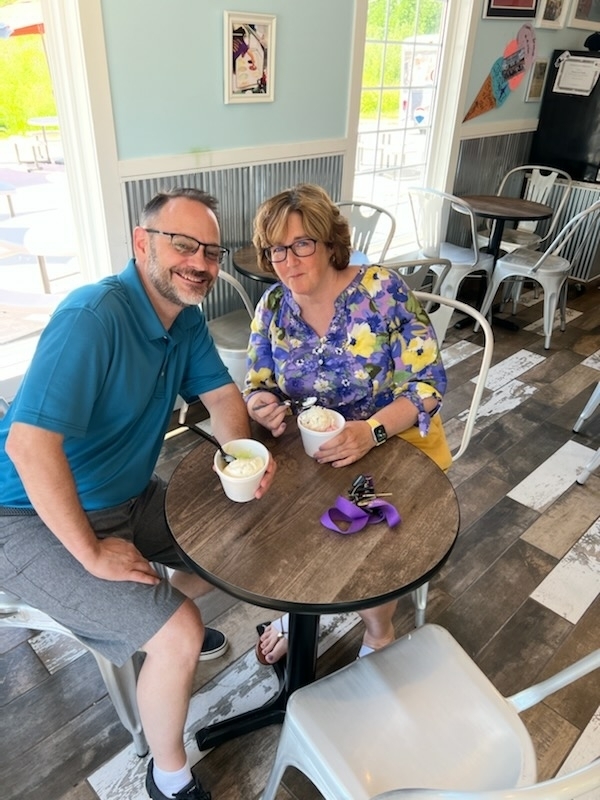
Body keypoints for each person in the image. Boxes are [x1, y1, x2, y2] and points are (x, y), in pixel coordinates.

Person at [0, 187, 276, 800]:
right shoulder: (93, 316)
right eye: (183, 245)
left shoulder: (184, 322)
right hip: (23, 514)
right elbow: (28, 447)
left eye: (211, 250)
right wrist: (94, 553)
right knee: (178, 632)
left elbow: (224, 399)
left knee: (238, 537)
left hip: (125, 497)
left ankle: (153, 614)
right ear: (140, 243)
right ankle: (168, 774)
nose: (200, 263)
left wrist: (243, 460)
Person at [244, 183, 450, 665]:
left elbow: (427, 386)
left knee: (369, 531)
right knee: (269, 515)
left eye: (301, 245)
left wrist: (370, 431)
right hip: (311, 445)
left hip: (391, 441)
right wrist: (261, 404)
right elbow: (258, 381)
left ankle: (379, 630)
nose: (288, 261)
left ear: (330, 243)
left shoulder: (381, 291)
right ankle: (299, 607)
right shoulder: (273, 308)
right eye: (276, 250)